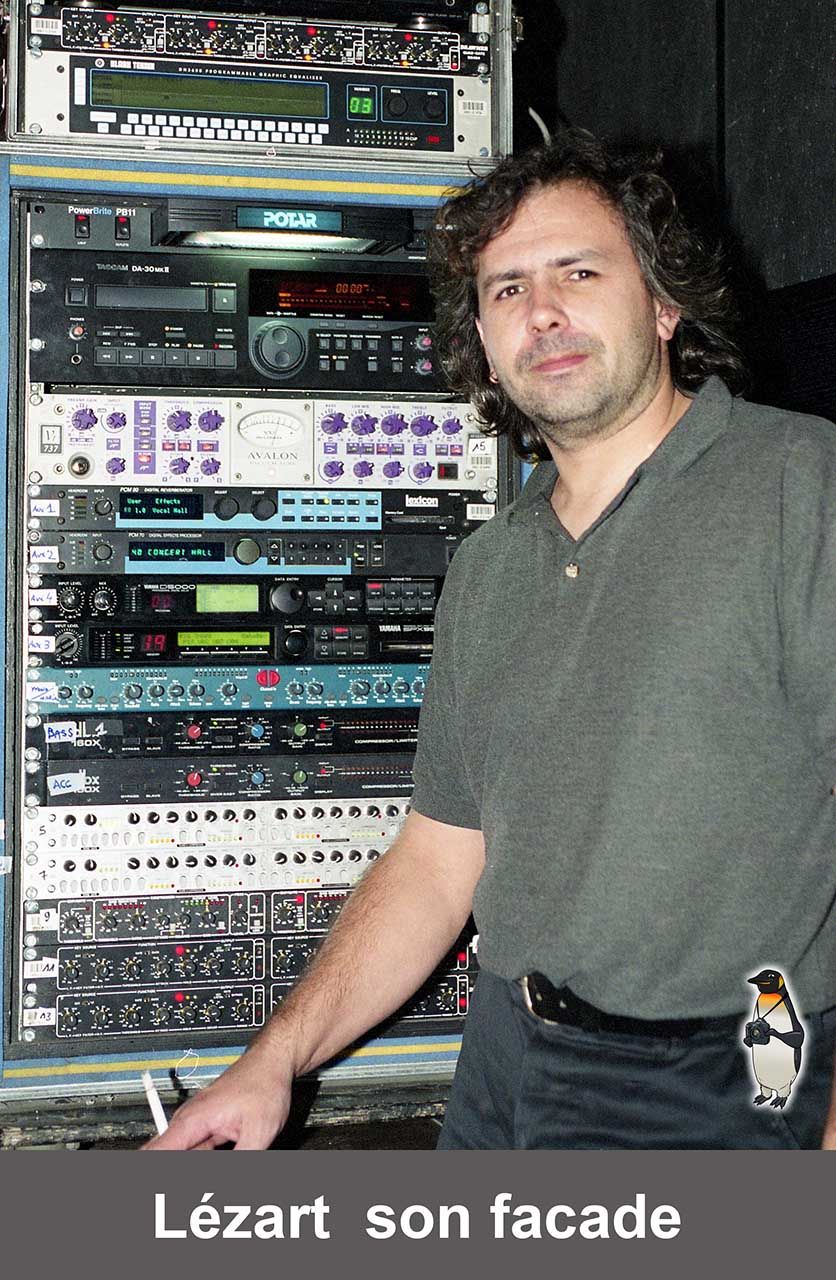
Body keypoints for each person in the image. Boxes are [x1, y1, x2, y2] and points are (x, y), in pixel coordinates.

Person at [144, 130, 836, 1150]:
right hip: (505, 1059)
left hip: (725, 1076)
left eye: (578, 272)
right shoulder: (489, 567)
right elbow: (437, 861)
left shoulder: (800, 487)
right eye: (507, 288)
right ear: (482, 337)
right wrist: (273, 1059)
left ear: (662, 302)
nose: (541, 310)